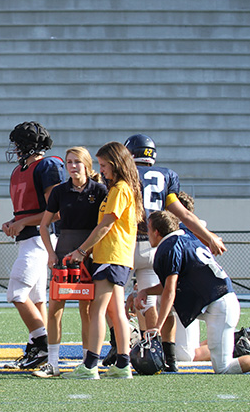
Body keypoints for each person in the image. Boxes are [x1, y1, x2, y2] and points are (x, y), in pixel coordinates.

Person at [139, 211, 250, 376]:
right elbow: (169, 287)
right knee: (162, 302)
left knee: (223, 368)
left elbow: (170, 289)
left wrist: (156, 327)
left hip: (218, 305)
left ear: (156, 231)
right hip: (212, 300)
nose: (147, 233)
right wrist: (146, 291)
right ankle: (170, 360)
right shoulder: (184, 234)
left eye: (149, 229)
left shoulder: (167, 247)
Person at [118, 134, 227, 370]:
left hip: (125, 244)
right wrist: (209, 237)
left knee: (112, 300)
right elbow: (183, 214)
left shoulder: (122, 174)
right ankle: (164, 357)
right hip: (155, 246)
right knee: (152, 304)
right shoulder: (166, 176)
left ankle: (119, 350)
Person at [63, 141, 143, 379]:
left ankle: (90, 366)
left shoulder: (119, 189)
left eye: (105, 165)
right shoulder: (121, 188)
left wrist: (81, 251)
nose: (102, 169)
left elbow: (106, 225)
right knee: (116, 312)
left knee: (96, 310)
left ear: (117, 164)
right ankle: (123, 364)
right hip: (117, 256)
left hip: (111, 255)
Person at [33, 146, 107, 378]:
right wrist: (51, 253)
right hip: (63, 253)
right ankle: (53, 364)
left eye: (77, 162)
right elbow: (44, 225)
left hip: (90, 255)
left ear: (87, 165)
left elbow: (103, 226)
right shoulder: (59, 191)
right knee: (55, 308)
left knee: (87, 310)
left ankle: (87, 363)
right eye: (69, 162)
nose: (72, 166)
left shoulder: (100, 190)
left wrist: (86, 251)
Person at [1, 122, 66, 370]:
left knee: (16, 293)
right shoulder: (22, 170)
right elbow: (28, 210)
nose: (16, 150)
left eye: (18, 144)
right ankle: (41, 352)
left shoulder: (48, 166)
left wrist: (23, 222)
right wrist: (13, 222)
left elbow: (57, 211)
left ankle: (41, 343)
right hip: (29, 239)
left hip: (42, 239)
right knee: (37, 298)